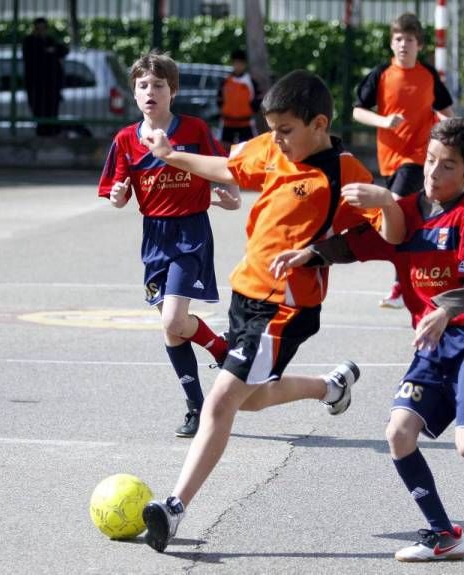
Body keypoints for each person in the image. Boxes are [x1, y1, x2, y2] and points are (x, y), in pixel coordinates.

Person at [272, 118, 464, 562]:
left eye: (447, 166)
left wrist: (442, 309)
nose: (433, 173)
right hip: (431, 351)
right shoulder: (407, 213)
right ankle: (443, 533)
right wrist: (313, 253)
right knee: (398, 433)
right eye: (431, 160)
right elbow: (362, 243)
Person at [138, 69, 380, 553]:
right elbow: (228, 167)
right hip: (246, 296)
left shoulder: (345, 172)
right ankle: (330, 386)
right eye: (272, 129)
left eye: (287, 130)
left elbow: (378, 234)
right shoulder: (272, 148)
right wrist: (169, 155)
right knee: (250, 399)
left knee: (221, 401)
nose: (277, 140)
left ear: (319, 124)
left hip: (286, 308)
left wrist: (319, 253)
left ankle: (174, 507)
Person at [98, 52, 238, 438]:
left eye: (158, 85)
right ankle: (196, 406)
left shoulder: (192, 130)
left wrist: (229, 196)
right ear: (134, 93)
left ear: (172, 91)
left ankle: (222, 349)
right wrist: (118, 196)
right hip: (154, 236)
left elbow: (224, 173)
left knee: (174, 320)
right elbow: (117, 193)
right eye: (143, 85)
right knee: (172, 330)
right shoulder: (126, 139)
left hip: (190, 233)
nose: (150, 92)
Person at [353, 12, 453, 309]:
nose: (402, 44)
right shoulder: (381, 74)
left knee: (392, 209)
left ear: (419, 44)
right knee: (408, 225)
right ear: (392, 43)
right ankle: (422, 280)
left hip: (418, 159)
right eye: (398, 39)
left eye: (408, 39)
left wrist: (449, 134)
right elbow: (358, 111)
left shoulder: (428, 75)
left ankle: (402, 286)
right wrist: (383, 121)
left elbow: (447, 112)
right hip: (389, 161)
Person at [22, 17, 69, 136]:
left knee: (52, 114)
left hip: (52, 85)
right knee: (39, 114)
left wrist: (51, 50)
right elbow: (32, 55)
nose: (41, 31)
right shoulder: (29, 41)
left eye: (43, 29)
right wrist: (47, 50)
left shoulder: (50, 40)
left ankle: (51, 135)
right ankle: (42, 135)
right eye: (38, 29)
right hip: (35, 86)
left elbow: (63, 50)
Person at [217, 49, 261, 151]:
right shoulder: (226, 82)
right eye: (235, 63)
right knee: (224, 150)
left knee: (249, 149)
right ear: (232, 64)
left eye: (240, 63)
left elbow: (257, 100)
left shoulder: (250, 82)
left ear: (244, 64)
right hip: (227, 123)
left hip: (245, 123)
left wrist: (250, 110)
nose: (238, 66)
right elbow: (219, 99)